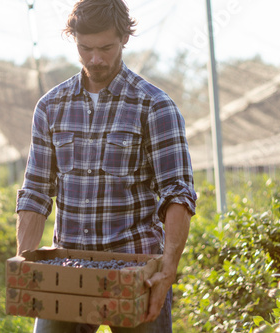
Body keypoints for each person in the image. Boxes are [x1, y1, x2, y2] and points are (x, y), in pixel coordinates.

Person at [15, 0, 197, 332]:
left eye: (106, 48)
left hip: (134, 270)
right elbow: (36, 194)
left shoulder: (154, 106)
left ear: (124, 39)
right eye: (86, 48)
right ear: (74, 40)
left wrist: (166, 270)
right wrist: (27, 268)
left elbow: (177, 193)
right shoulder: (50, 107)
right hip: (67, 270)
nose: (96, 59)